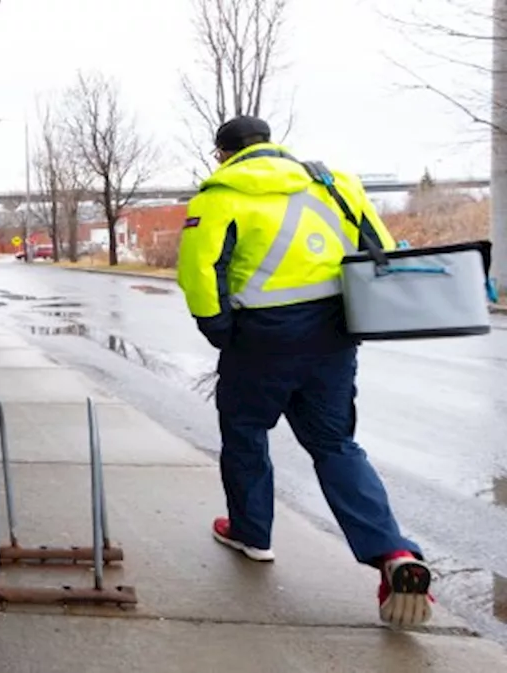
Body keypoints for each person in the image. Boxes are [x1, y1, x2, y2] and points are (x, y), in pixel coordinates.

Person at [176, 116, 434, 627]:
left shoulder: (219, 195)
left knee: (246, 432)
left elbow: (199, 275)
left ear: (223, 153)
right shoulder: (336, 184)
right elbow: (377, 249)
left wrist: (222, 332)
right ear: (272, 144)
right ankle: (392, 554)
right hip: (333, 339)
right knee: (335, 445)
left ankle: (252, 534)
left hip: (260, 341)